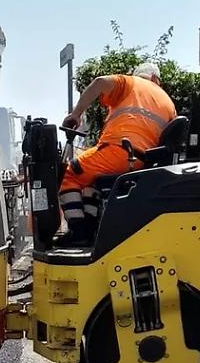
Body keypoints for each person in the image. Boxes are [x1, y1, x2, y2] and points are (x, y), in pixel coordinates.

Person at [58, 62, 176, 239]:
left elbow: (99, 83)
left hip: (119, 151)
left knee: (69, 175)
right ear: (155, 79)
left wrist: (76, 114)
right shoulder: (168, 102)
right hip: (144, 161)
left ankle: (78, 232)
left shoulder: (130, 83)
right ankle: (90, 228)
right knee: (90, 180)